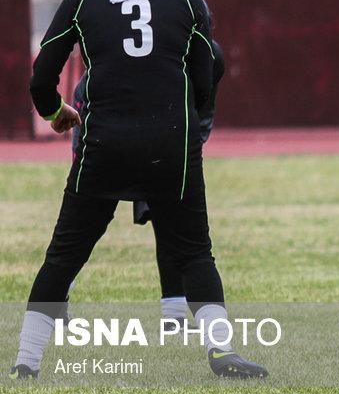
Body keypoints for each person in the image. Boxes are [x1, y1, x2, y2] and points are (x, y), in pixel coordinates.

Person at [10, 0, 265, 380]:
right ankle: (223, 353)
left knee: (63, 254)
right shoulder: (187, 1)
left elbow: (41, 78)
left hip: (103, 144)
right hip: (171, 146)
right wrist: (184, 117)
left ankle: (26, 361)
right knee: (194, 251)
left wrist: (55, 112)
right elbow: (208, 73)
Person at [64, 38, 225, 323]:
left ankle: (174, 314)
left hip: (161, 136)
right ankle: (56, 296)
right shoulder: (135, 48)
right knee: (87, 222)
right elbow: (92, 96)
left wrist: (183, 154)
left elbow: (201, 110)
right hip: (104, 128)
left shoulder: (209, 55)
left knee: (171, 215)